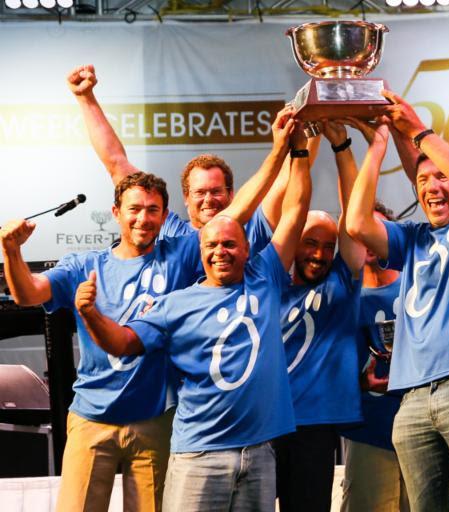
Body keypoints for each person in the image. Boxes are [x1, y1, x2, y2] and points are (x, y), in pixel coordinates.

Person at [0, 107, 295, 512]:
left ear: (164, 215)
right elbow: (27, 294)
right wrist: (12, 251)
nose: (143, 218)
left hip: (156, 422)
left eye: (153, 210)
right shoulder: (85, 265)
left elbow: (234, 215)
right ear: (116, 213)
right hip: (92, 419)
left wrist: (281, 150)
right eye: (134, 209)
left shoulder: (184, 251)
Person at [74, 122, 312, 512]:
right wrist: (89, 314)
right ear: (196, 249)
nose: (221, 251)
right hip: (198, 454)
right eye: (211, 245)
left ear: (248, 245)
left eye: (230, 243)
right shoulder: (174, 303)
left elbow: (297, 209)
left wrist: (299, 151)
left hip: (259, 451)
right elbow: (122, 343)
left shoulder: (265, 275)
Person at [346, 93, 449, 511]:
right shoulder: (413, 239)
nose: (431, 188)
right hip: (412, 398)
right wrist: (378, 148)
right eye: (422, 182)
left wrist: (416, 130)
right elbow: (355, 222)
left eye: (442, 179)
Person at [66, 64, 309, 245]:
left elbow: (288, 178)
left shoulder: (254, 227)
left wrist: (311, 123)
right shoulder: (170, 230)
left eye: (216, 191)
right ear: (185, 197)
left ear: (231, 194)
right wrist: (85, 98)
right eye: (200, 192)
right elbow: (117, 164)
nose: (208, 199)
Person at [266, 120, 365, 512]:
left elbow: (355, 217)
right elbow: (283, 210)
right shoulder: (266, 278)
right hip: (261, 422)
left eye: (328, 246)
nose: (320, 254)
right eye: (310, 243)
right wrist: (300, 151)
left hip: (314, 428)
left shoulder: (342, 281)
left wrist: (342, 147)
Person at [340, 201, 408, 512]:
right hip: (368, 432)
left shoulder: (419, 287)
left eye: (374, 230)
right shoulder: (342, 299)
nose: (366, 239)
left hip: (425, 431)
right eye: (358, 232)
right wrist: (358, 381)